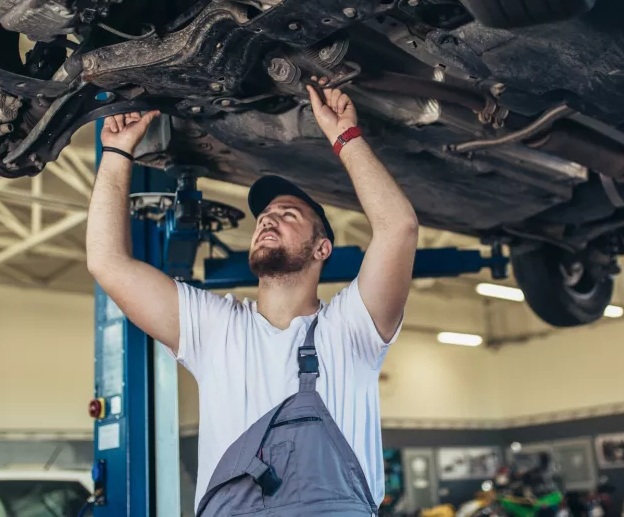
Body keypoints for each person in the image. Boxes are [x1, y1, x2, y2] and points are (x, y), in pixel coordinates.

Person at [86, 83, 419, 515]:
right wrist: (116, 153)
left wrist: (345, 138)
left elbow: (398, 227)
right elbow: (107, 263)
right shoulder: (214, 328)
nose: (267, 221)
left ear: (322, 249)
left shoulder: (351, 329)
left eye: (287, 215)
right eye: (264, 217)